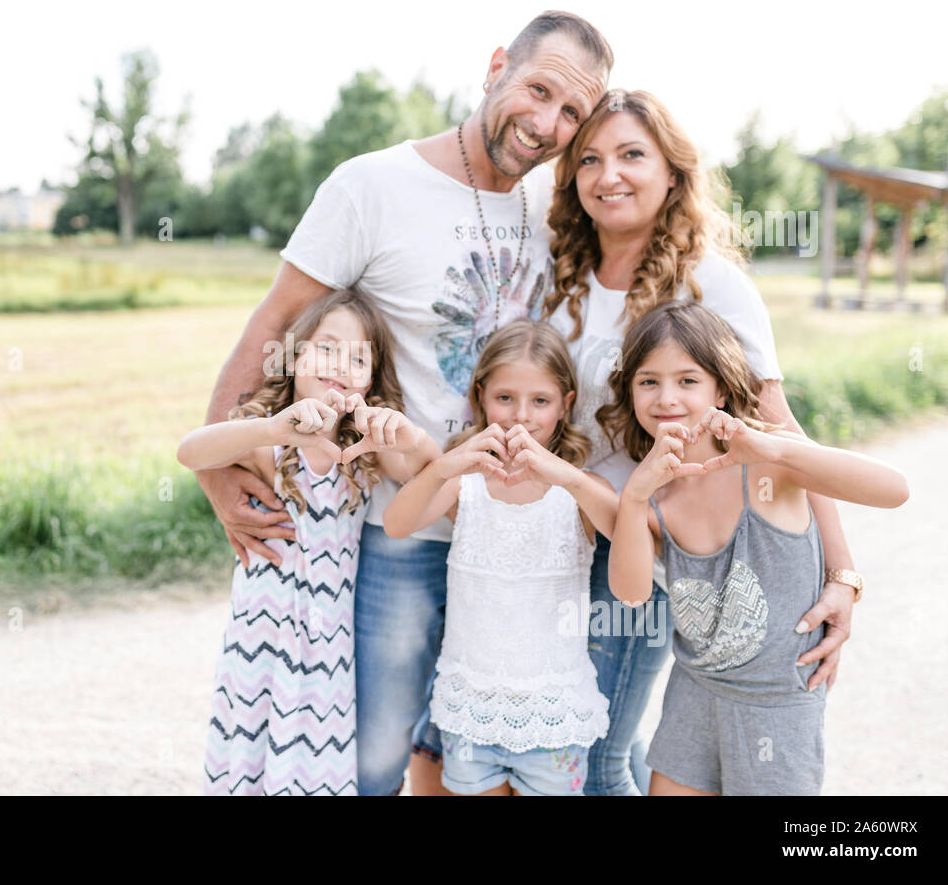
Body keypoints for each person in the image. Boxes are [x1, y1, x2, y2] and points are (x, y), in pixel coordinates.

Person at [195, 10, 614, 795]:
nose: (547, 123)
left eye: (571, 113)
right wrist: (217, 464)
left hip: (517, 539)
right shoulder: (372, 185)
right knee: (377, 753)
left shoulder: (550, 215)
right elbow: (276, 323)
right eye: (539, 89)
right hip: (403, 524)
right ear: (496, 66)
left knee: (464, 754)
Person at [539, 89, 864, 795]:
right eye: (589, 159)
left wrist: (842, 576)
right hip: (564, 541)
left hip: (656, 543)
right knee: (586, 743)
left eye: (632, 155)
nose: (608, 175)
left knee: (595, 751)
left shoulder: (710, 281)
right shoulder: (563, 278)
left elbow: (783, 437)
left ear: (673, 173)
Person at [602, 301, 908, 794]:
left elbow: (894, 489)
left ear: (720, 389)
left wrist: (778, 445)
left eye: (687, 380)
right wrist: (634, 496)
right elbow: (632, 593)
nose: (666, 398)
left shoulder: (769, 467)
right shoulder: (655, 498)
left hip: (778, 706)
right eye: (648, 381)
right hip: (694, 694)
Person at [178, 288, 439, 795]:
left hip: (328, 646)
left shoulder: (362, 450)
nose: (340, 364)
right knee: (254, 754)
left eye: (358, 357)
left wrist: (408, 436)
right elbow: (190, 452)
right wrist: (269, 427)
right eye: (326, 347)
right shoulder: (271, 442)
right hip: (264, 637)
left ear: (371, 377)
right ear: (295, 355)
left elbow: (427, 475)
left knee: (315, 765)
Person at [382, 320, 618, 795]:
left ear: (566, 404)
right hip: (472, 708)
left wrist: (567, 476)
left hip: (553, 715)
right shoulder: (463, 482)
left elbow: (622, 527)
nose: (520, 416)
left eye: (540, 401)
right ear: (480, 397)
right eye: (505, 398)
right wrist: (445, 465)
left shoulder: (579, 488)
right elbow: (397, 523)